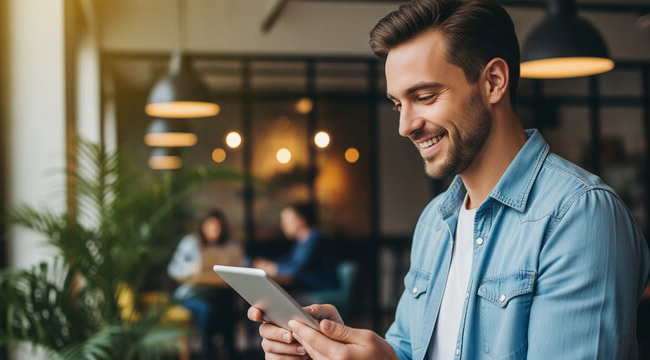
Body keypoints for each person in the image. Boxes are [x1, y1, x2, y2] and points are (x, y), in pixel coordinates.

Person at [247, 1, 650, 359]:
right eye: (397, 104)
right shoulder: (435, 222)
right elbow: (408, 350)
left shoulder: (579, 216)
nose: (405, 125)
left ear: (493, 82)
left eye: (424, 96)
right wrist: (333, 347)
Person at [167, 209, 236, 357]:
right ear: (203, 227)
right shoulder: (190, 243)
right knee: (208, 309)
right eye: (210, 227)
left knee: (228, 304)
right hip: (191, 294)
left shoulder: (229, 247)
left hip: (218, 294)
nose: (214, 232)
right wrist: (191, 269)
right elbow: (173, 269)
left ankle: (229, 350)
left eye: (218, 228)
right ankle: (207, 350)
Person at [252, 203, 338, 296]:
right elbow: (290, 260)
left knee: (271, 298)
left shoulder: (315, 238)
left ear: (301, 221)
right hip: (306, 289)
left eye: (286, 220)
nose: (282, 225)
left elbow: (297, 270)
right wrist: (270, 265)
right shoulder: (301, 241)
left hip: (319, 291)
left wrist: (274, 268)